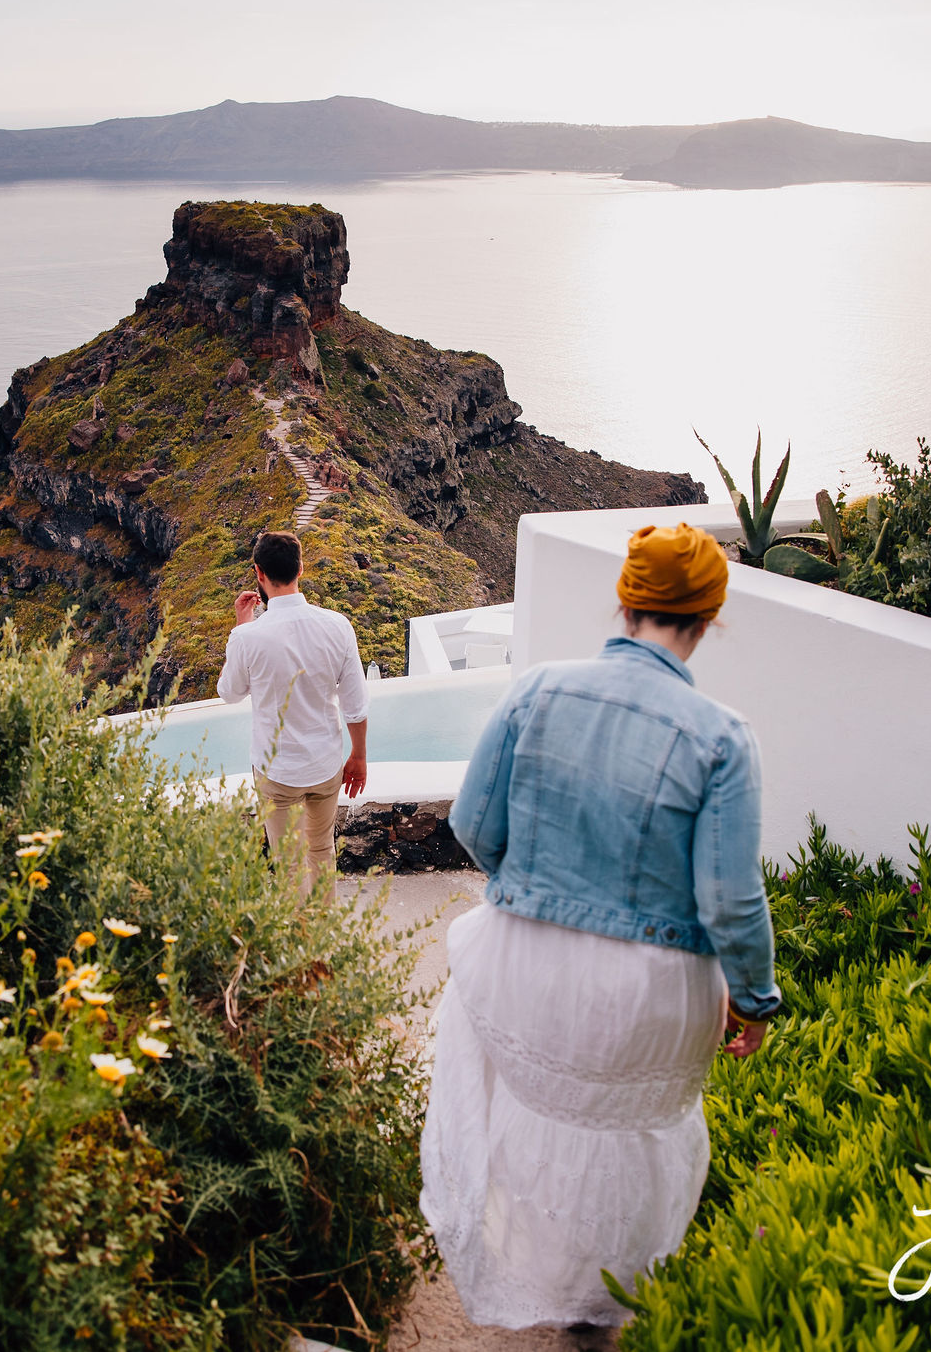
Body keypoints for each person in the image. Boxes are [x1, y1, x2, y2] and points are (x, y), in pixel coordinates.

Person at [420, 522, 780, 1336]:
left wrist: (533, 888)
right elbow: (730, 899)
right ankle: (599, 1312)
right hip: (649, 991)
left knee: (534, 1117)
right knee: (623, 1153)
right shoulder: (722, 737)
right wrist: (754, 1000)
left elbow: (473, 824)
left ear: (624, 600)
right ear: (709, 616)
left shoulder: (536, 689)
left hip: (525, 961)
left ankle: (535, 1268)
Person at [216, 530, 369, 885]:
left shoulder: (248, 636)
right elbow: (355, 705)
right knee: (321, 851)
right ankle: (322, 930)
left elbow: (230, 692)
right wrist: (358, 756)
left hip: (277, 769)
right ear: (301, 569)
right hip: (325, 763)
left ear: (259, 573)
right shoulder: (338, 626)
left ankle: (296, 937)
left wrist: (241, 626)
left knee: (288, 862)